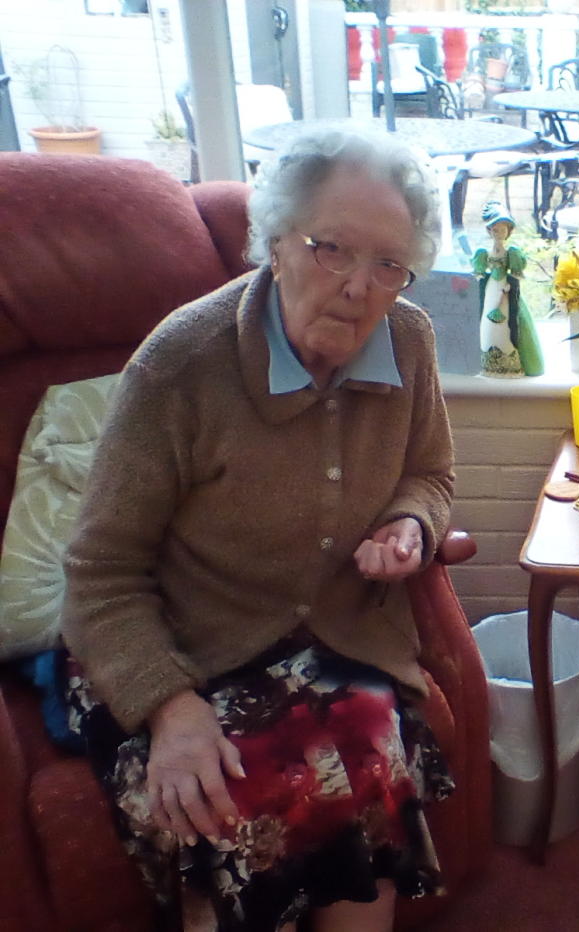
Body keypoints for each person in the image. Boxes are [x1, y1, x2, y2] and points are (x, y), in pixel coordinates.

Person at [61, 126, 457, 932]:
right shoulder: (182, 364)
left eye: (390, 264)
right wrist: (170, 708)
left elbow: (431, 475)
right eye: (332, 248)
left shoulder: (409, 339)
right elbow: (100, 572)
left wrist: (410, 525)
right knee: (222, 793)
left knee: (369, 738)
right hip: (179, 647)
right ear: (275, 242)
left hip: (340, 635)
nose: (359, 286)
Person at [474, 200, 544, 378]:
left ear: (509, 231)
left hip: (505, 288)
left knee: (507, 321)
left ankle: (509, 357)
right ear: (489, 231)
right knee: (488, 321)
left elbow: (517, 273)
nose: (499, 233)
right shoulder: (484, 253)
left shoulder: (510, 253)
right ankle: (489, 357)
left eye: (503, 229)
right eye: (496, 229)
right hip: (492, 289)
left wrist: (508, 287)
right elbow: (480, 273)